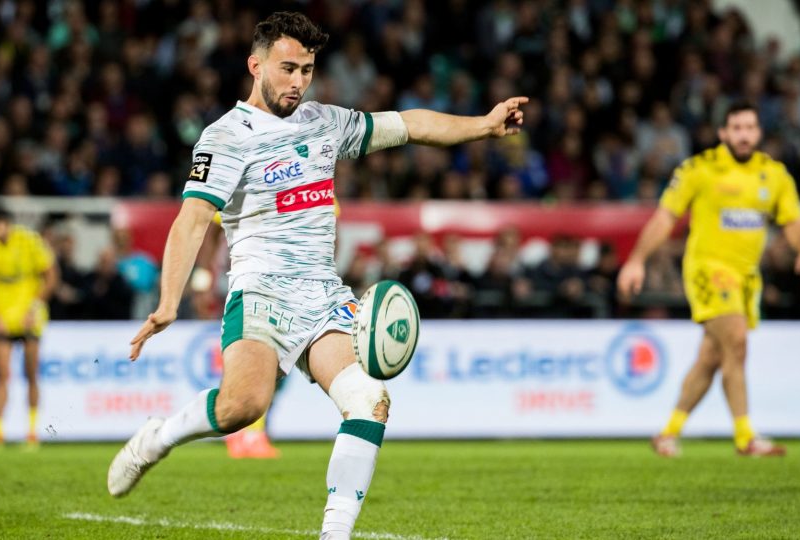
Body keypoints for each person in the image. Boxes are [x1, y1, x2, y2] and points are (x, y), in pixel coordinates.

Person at [106, 11, 527, 539]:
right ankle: (159, 438)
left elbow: (408, 125)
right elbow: (191, 220)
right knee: (243, 407)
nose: (298, 82)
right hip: (259, 292)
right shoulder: (226, 137)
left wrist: (484, 126)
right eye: (287, 69)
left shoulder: (324, 123)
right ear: (255, 65)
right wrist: (169, 301)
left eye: (306, 70)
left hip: (323, 296)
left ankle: (335, 534)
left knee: (370, 401)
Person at [617, 102, 800, 458]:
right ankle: (746, 437)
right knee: (737, 343)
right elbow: (665, 218)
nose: (743, 134)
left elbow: (792, 221)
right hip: (708, 269)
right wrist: (636, 260)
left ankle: (668, 433)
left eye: (750, 128)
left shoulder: (774, 176)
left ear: (758, 133)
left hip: (746, 277)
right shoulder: (700, 169)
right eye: (736, 128)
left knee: (712, 356)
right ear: (723, 133)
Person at [0, 206, 58, 446]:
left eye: (2, 224)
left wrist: (35, 307)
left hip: (29, 318)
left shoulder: (29, 241)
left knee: (31, 375)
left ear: (9, 223)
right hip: (1, 319)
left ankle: (32, 432)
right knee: (2, 375)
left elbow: (51, 275)